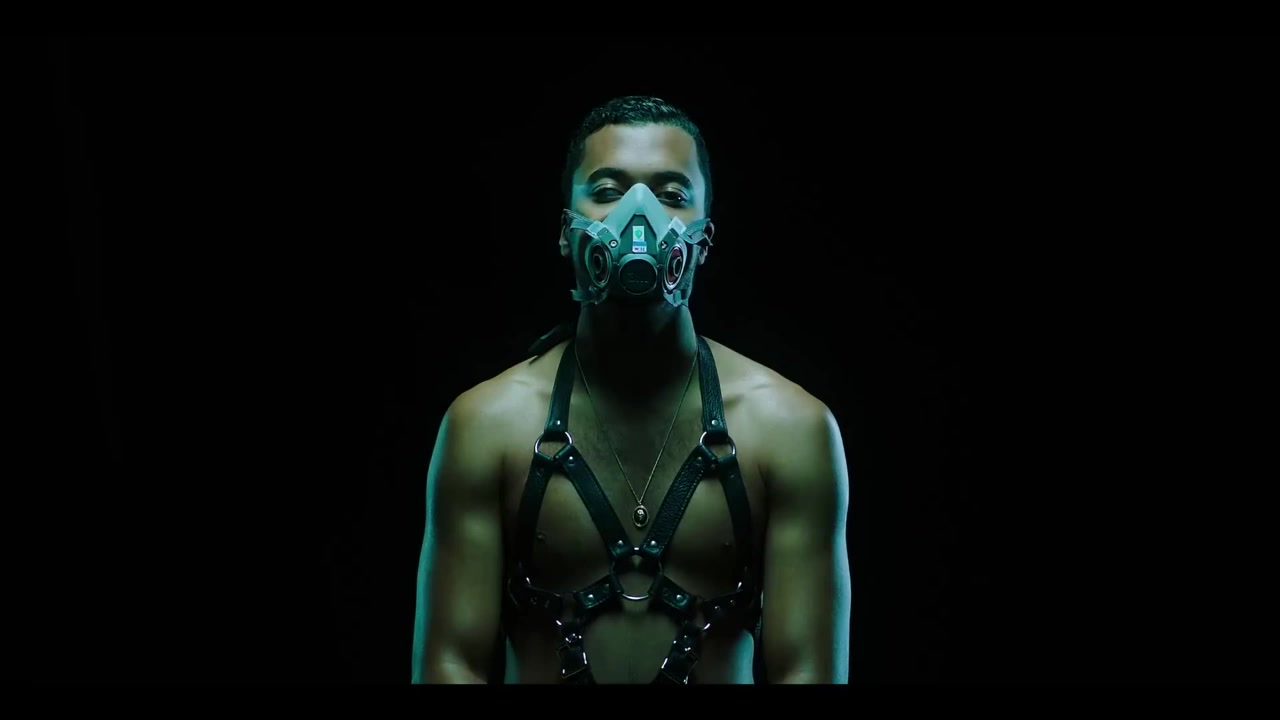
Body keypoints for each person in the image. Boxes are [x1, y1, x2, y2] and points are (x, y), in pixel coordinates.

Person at [411, 96, 851, 684]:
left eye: (671, 194)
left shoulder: (790, 432)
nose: (637, 217)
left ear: (704, 238)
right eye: (608, 190)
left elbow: (808, 671)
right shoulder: (488, 427)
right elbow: (450, 664)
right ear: (566, 232)